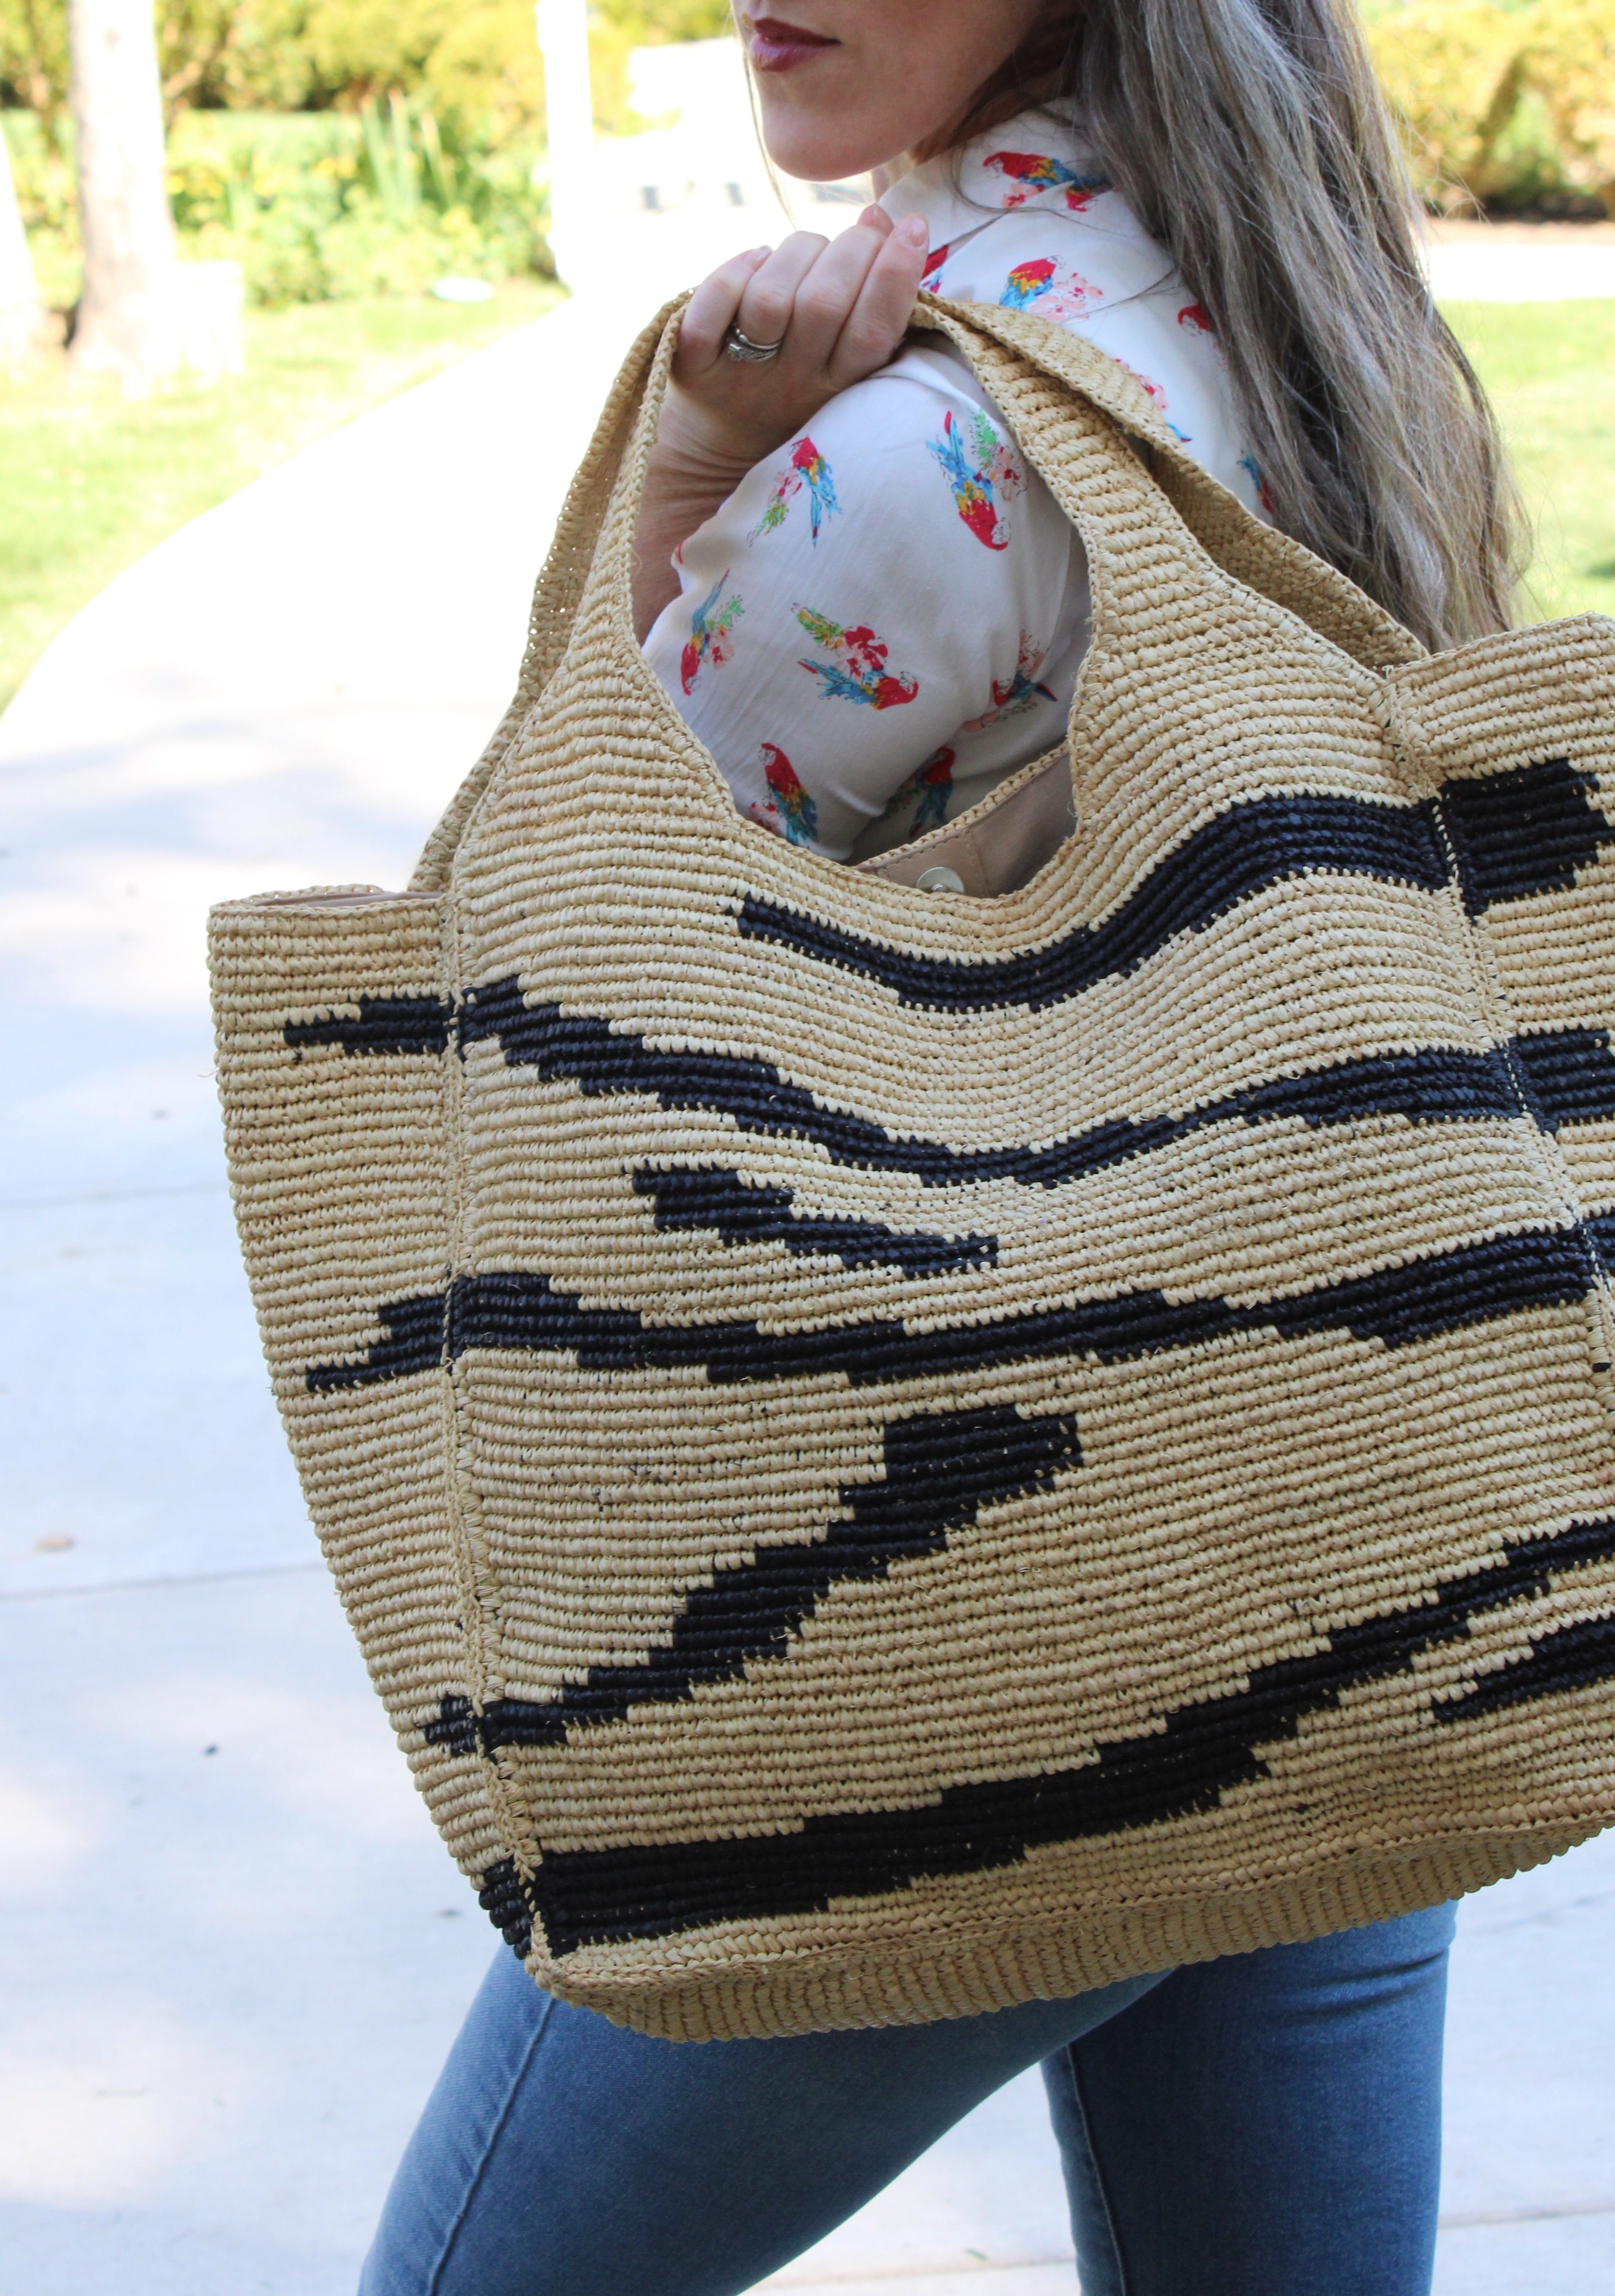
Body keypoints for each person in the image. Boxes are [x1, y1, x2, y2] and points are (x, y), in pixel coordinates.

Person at [361, 3, 1525, 2290]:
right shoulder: (1288, 328)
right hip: (1349, 1548)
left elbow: (528, 977)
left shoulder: (924, 457)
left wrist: (692, 471)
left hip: (971, 1633)